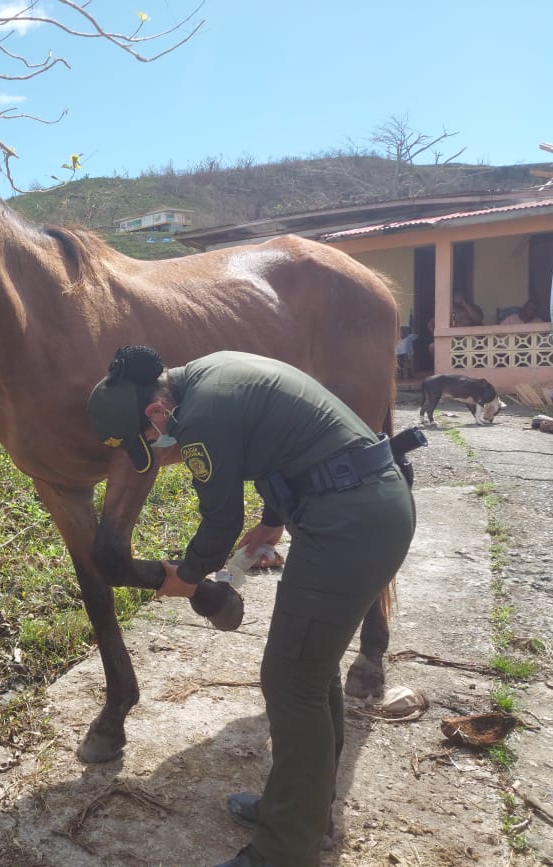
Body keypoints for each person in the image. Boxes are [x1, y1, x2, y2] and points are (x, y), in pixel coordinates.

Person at [87, 347, 416, 867]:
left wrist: (187, 577)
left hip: (349, 521)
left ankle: (284, 851)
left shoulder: (197, 419)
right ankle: (302, 811)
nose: (155, 444)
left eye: (147, 439)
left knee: (291, 679)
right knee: (311, 669)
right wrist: (273, 519)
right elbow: (278, 440)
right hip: (360, 505)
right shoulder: (215, 370)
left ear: (155, 412)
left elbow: (219, 522)